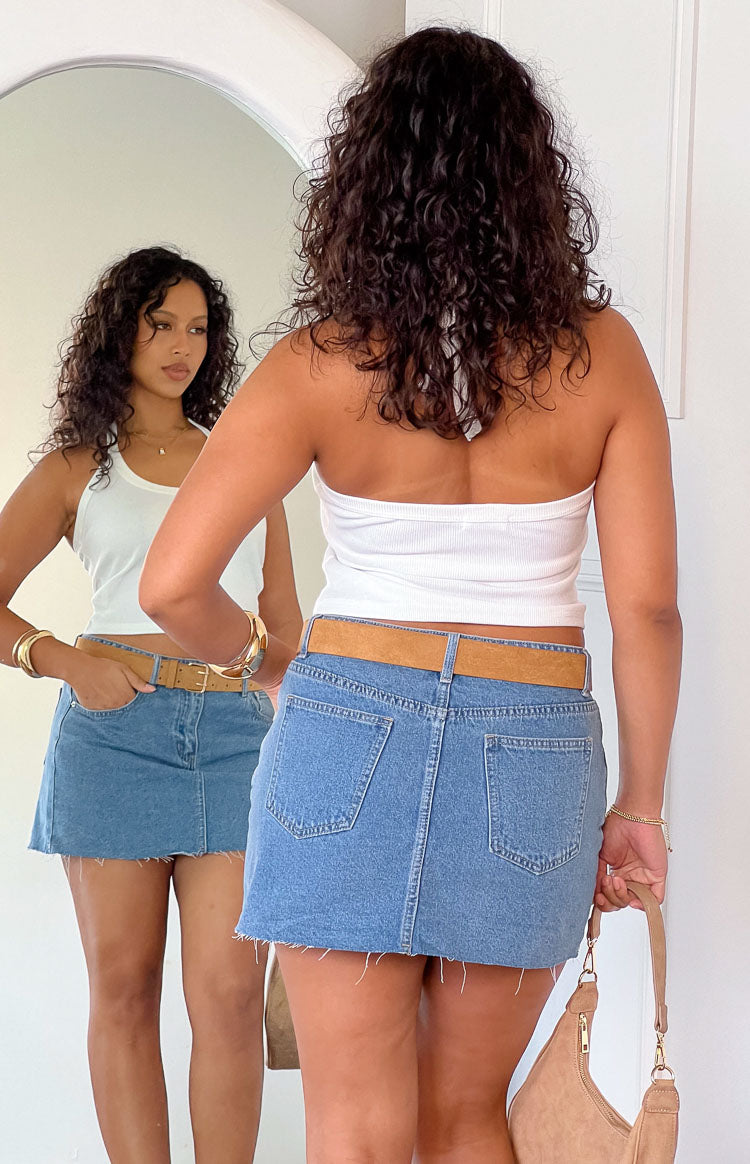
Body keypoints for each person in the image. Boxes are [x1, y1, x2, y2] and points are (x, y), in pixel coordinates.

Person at [139, 28, 681, 1164]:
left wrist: (272, 668)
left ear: (367, 186)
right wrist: (639, 805)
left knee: (352, 1127)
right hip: (533, 739)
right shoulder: (603, 356)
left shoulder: (317, 362)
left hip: (344, 726)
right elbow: (646, 614)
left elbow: (172, 583)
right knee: (467, 1114)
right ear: (530, 180)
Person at [0, 245, 302, 1163]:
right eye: (160, 323)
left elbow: (285, 633)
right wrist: (60, 660)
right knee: (125, 993)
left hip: (235, 740)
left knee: (230, 998)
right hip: (112, 737)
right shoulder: (76, 468)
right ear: (118, 332)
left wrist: (272, 685)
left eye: (199, 329)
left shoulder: (245, 463)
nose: (182, 346)